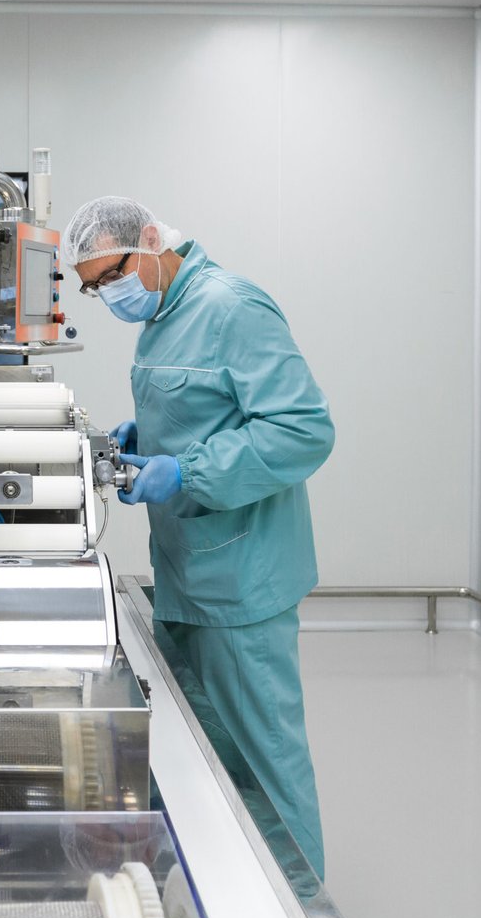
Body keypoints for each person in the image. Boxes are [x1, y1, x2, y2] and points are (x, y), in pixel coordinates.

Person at [61, 196, 335, 878]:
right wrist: (142, 436)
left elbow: (303, 431)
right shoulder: (162, 317)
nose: (108, 295)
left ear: (152, 239)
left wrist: (187, 470)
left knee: (265, 765)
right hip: (189, 574)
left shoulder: (232, 307)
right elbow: (208, 409)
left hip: (242, 582)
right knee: (212, 758)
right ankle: (237, 896)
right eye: (95, 288)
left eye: (113, 275)